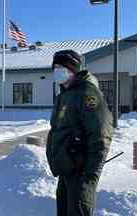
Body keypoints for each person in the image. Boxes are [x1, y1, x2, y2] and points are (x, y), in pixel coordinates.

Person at [46, 50, 114, 216]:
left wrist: (90, 176)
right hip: (67, 169)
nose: (56, 71)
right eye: (54, 67)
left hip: (81, 172)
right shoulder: (66, 94)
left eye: (61, 67)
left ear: (73, 69)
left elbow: (101, 135)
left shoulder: (87, 93)